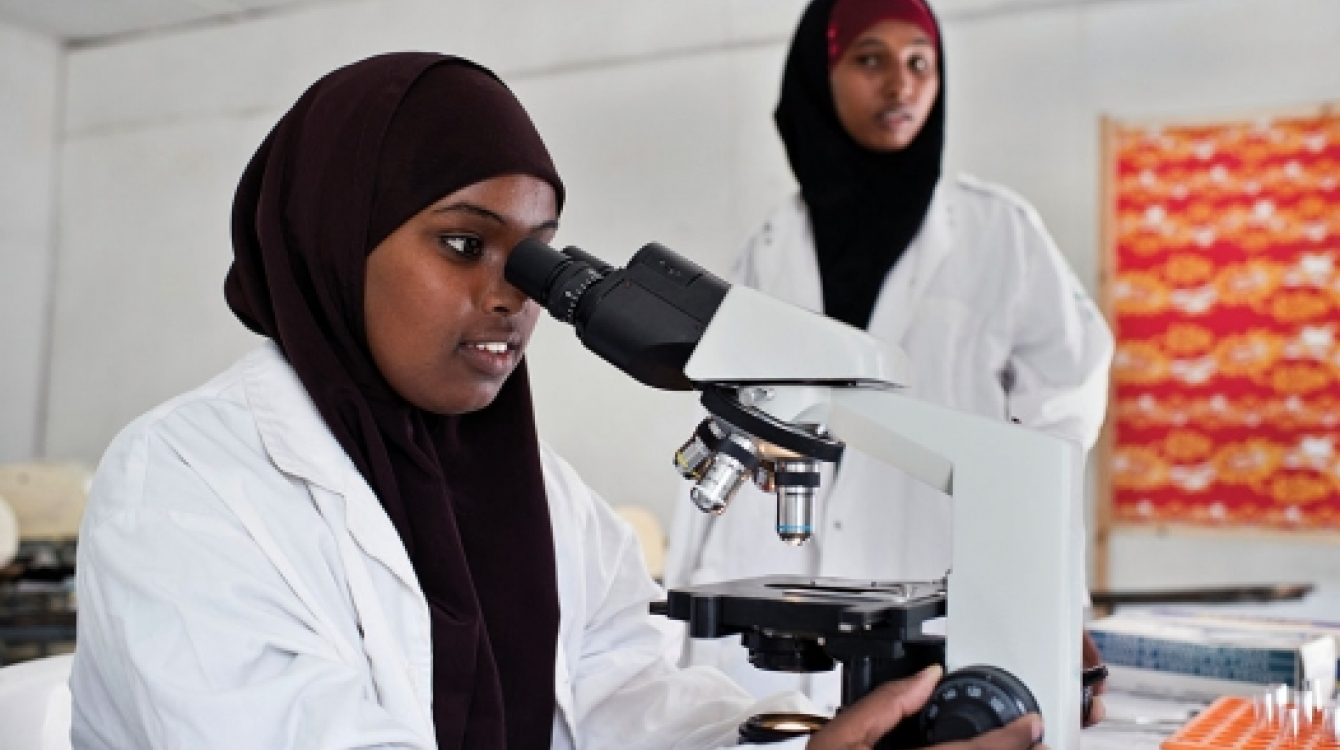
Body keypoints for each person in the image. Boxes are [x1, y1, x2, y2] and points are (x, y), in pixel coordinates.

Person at [68, 53, 1048, 750]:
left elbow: (621, 698)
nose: (513, 294)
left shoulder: (539, 494)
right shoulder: (187, 482)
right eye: (463, 243)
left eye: (537, 256)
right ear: (332, 240)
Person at [664, 0, 1115, 721]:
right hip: (778, 587)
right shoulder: (770, 246)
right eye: (870, 59)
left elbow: (1065, 405)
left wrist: (1047, 582)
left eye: (919, 63)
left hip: (935, 575)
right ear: (819, 75)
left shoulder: (1000, 233)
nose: (900, 86)